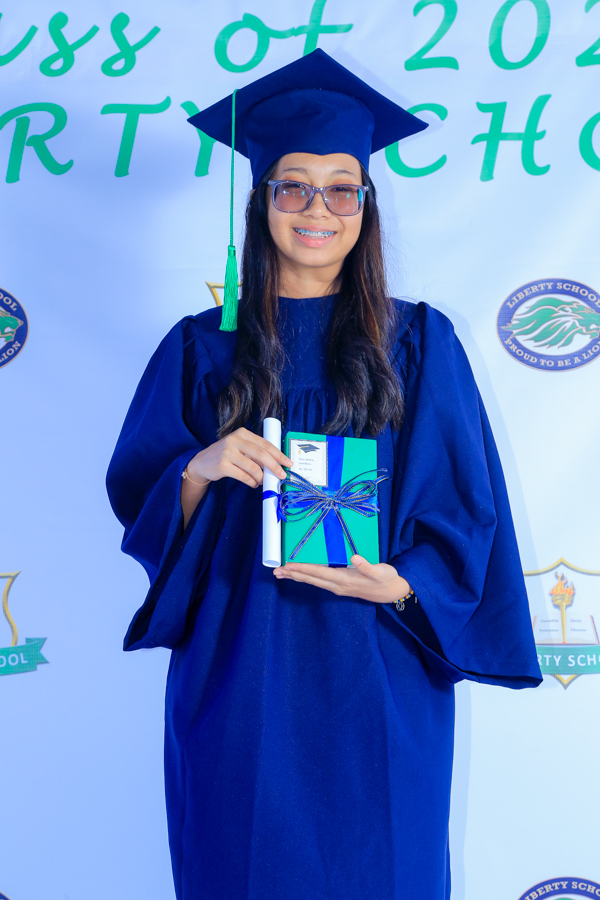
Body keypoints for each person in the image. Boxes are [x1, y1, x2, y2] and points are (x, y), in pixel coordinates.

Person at [107, 49, 541, 900]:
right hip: (238, 674)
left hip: (377, 675)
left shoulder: (419, 343)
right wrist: (199, 467)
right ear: (260, 201)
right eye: (293, 187)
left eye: (343, 189)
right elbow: (143, 504)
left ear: (366, 206)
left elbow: (465, 509)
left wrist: (402, 583)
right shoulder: (200, 348)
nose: (318, 208)